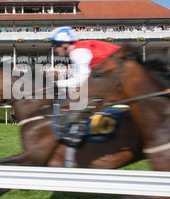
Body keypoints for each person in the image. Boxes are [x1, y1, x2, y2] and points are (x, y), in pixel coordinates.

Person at [49, 26, 121, 157]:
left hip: (120, 73)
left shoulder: (77, 52)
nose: (55, 48)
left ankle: (77, 135)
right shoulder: (78, 50)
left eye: (56, 44)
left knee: (81, 99)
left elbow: (82, 80)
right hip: (113, 72)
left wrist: (56, 84)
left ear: (65, 44)